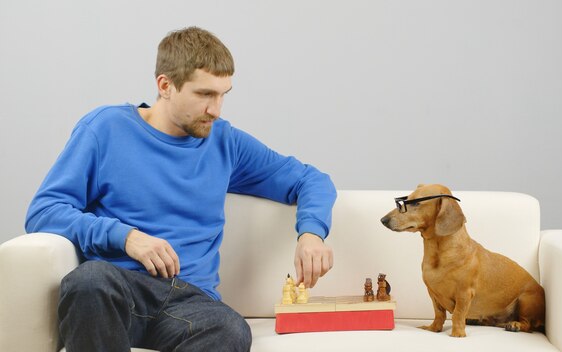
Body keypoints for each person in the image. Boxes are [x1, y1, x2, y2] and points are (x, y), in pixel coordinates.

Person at [25, 26, 336, 352]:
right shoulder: (105, 129)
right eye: (204, 95)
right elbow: (44, 212)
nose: (216, 110)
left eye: (222, 95)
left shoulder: (224, 141)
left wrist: (311, 234)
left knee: (230, 329)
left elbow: (311, 179)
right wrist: (127, 237)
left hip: (191, 302)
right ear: (166, 85)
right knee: (88, 282)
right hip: (119, 289)